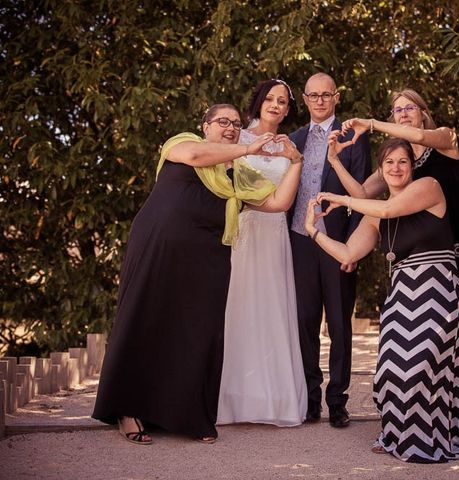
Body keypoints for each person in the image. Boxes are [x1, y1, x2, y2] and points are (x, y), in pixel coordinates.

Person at [92, 103, 304, 444]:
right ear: (205, 126)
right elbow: (193, 156)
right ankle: (127, 411)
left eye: (236, 123)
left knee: (197, 333)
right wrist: (248, 148)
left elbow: (278, 202)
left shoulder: (241, 174)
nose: (231, 127)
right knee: (144, 320)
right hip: (159, 247)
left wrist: (296, 162)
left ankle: (188, 415)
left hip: (208, 260)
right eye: (223, 121)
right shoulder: (183, 142)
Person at [331, 88, 459, 435]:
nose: (403, 113)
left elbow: (421, 136)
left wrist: (372, 124)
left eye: (409, 108)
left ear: (423, 111)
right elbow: (362, 195)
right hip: (423, 254)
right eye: (396, 110)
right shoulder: (399, 159)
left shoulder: (444, 139)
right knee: (430, 339)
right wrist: (334, 160)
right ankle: (432, 408)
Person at [305, 137, 459, 462]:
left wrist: (342, 198)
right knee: (391, 371)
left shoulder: (429, 186)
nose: (396, 168)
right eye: (389, 163)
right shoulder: (375, 216)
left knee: (421, 366)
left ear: (412, 167)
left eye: (402, 162)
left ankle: (430, 438)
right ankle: (395, 432)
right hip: (402, 294)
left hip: (437, 288)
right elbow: (349, 253)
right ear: (381, 169)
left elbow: (389, 206)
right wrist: (314, 230)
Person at [217, 79, 307, 426]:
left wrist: (293, 159)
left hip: (275, 233)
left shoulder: (291, 144)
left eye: (282, 101)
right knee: (237, 308)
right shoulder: (237, 138)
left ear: (288, 109)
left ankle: (274, 401)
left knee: (272, 308)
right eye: (270, 98)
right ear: (258, 101)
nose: (275, 105)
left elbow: (290, 197)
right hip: (242, 230)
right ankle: (230, 400)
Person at [288, 72, 371, 428]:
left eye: (326, 95)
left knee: (338, 323)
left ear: (336, 97)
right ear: (305, 100)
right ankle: (310, 398)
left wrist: (353, 249)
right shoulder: (294, 139)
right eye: (313, 95)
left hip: (337, 243)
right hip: (298, 241)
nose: (319, 101)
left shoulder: (353, 137)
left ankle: (337, 400)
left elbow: (362, 196)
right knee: (304, 322)